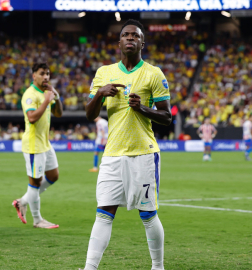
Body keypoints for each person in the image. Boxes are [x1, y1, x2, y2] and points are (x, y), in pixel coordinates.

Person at [82, 19, 171, 270]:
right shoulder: (104, 73)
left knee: (148, 214)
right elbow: (89, 116)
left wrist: (142, 108)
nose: (130, 38)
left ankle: (157, 267)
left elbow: (167, 116)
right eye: (126, 35)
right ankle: (90, 268)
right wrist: (100, 93)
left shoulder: (154, 73)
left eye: (135, 35)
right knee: (103, 212)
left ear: (142, 42)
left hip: (143, 154)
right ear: (119, 41)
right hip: (112, 155)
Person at [12, 62, 63, 229]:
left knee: (53, 176)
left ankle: (23, 201)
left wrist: (56, 96)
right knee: (35, 182)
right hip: (34, 145)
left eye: (48, 73)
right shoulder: (30, 94)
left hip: (45, 143)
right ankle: (37, 220)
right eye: (42, 73)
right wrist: (47, 101)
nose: (46, 77)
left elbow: (59, 113)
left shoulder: (46, 93)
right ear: (34, 75)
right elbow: (32, 117)